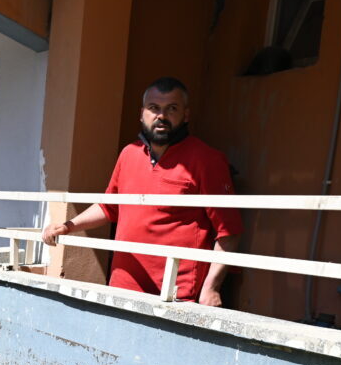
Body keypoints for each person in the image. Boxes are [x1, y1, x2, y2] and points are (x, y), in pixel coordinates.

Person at [40, 77, 242, 307]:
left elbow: (230, 231)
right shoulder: (129, 154)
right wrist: (68, 226)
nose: (162, 116)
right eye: (154, 108)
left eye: (172, 109)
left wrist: (211, 288)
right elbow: (109, 207)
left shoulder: (207, 160)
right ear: (142, 113)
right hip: (123, 285)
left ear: (186, 114)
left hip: (175, 294)